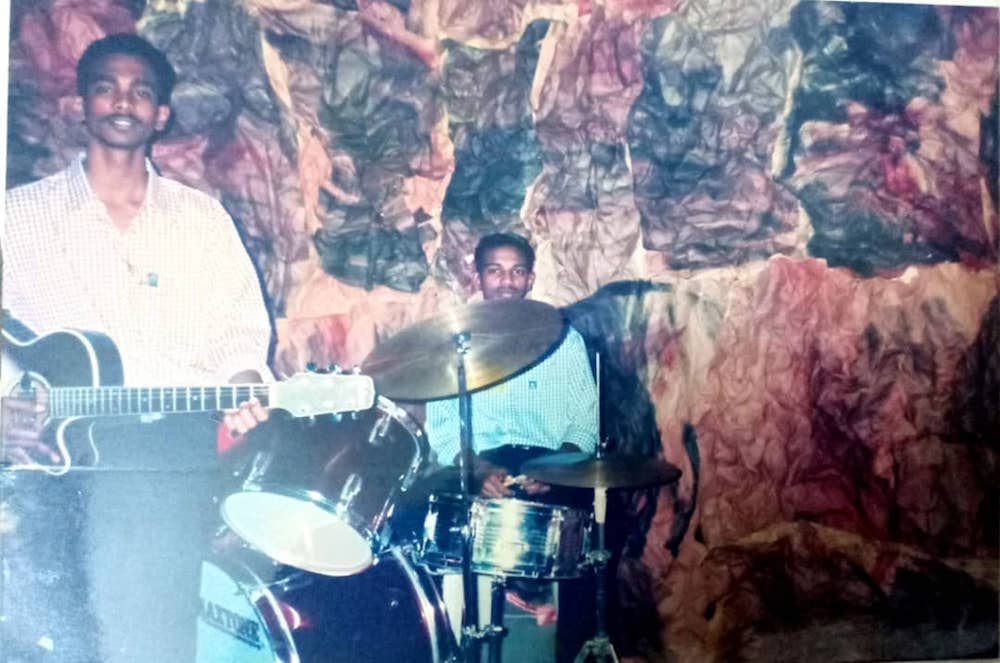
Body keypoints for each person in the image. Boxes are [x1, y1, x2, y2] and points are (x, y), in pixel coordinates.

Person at [1, 33, 271, 663]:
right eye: (106, 87)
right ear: (79, 104)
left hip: (162, 451)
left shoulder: (202, 220)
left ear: (161, 115)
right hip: (40, 455)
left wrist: (243, 379)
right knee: (43, 643)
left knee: (147, 640)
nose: (123, 102)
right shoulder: (16, 216)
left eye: (141, 91)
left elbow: (238, 328)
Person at [423, 232, 599, 662]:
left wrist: (557, 467)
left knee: (588, 539)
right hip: (481, 461)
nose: (507, 281)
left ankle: (567, 647)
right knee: (431, 510)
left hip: (551, 464)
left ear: (531, 278)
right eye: (495, 270)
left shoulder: (564, 341)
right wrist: (479, 470)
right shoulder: (456, 342)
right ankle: (457, 641)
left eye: (517, 270)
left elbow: (585, 423)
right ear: (477, 276)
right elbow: (444, 429)